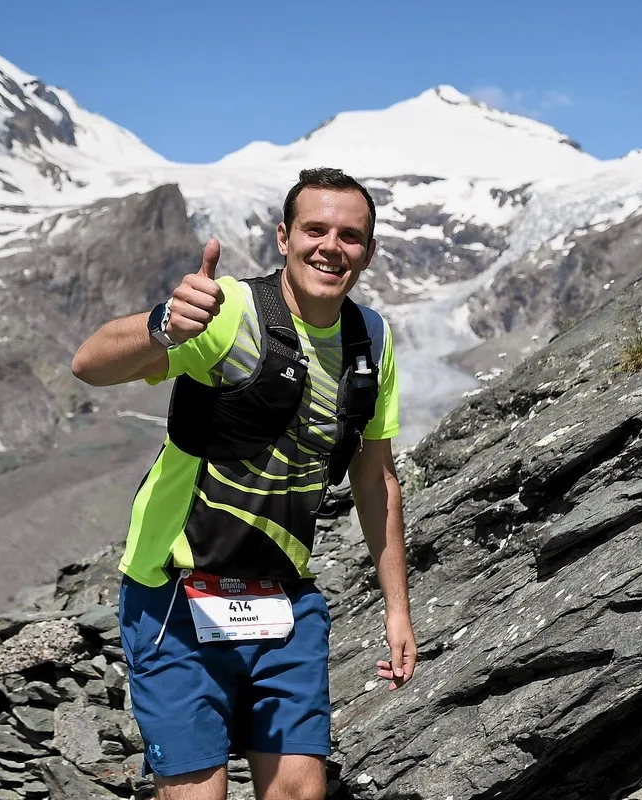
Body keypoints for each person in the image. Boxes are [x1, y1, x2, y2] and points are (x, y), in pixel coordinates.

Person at [71, 166, 416, 800]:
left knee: (298, 792)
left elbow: (376, 480)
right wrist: (163, 326)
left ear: (368, 251)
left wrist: (398, 606)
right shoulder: (230, 312)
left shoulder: (372, 340)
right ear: (284, 237)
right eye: (315, 230)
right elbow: (89, 363)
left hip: (283, 600)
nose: (331, 247)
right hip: (176, 591)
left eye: (350, 236)